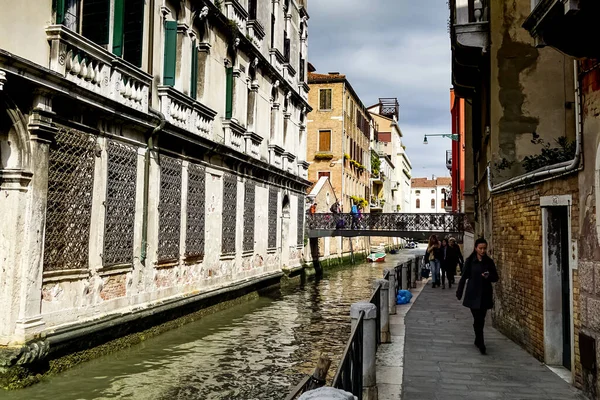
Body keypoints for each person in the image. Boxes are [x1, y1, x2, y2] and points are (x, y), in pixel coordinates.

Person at [456, 238, 498, 355]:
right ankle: (480, 341)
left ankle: (479, 340)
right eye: (480, 248)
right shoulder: (470, 261)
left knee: (481, 319)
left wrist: (488, 276)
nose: (483, 251)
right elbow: (464, 277)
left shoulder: (489, 262)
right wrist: (459, 292)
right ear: (476, 248)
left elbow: (495, 277)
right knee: (477, 318)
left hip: (485, 293)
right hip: (473, 293)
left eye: (484, 248)